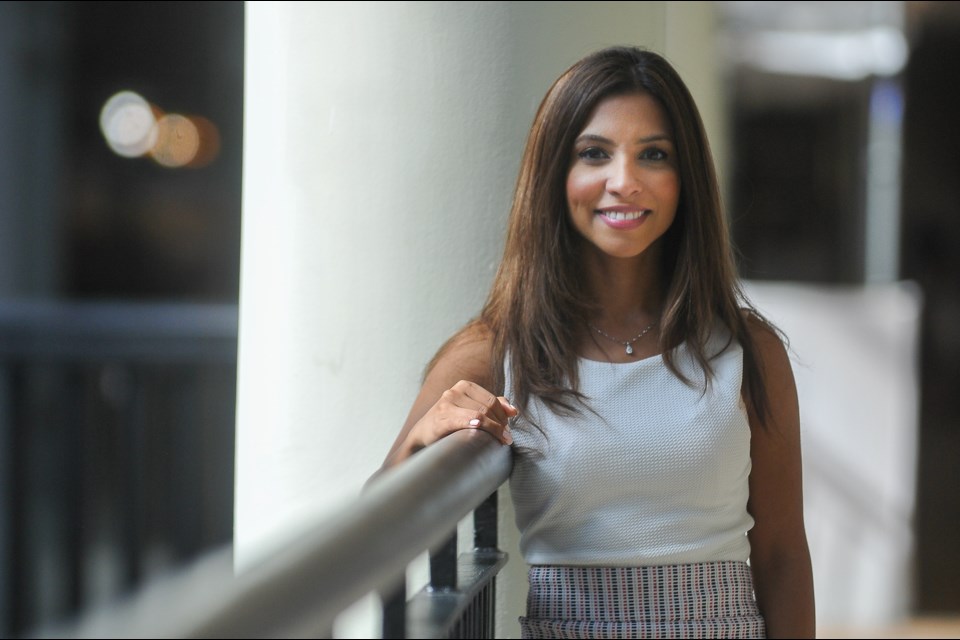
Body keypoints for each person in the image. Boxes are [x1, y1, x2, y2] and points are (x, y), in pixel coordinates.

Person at [376, 45, 815, 639]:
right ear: (556, 174)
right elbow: (372, 528)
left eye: (653, 155)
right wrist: (423, 441)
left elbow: (783, 556)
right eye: (594, 154)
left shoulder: (748, 349)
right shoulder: (499, 350)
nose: (624, 182)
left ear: (685, 179)